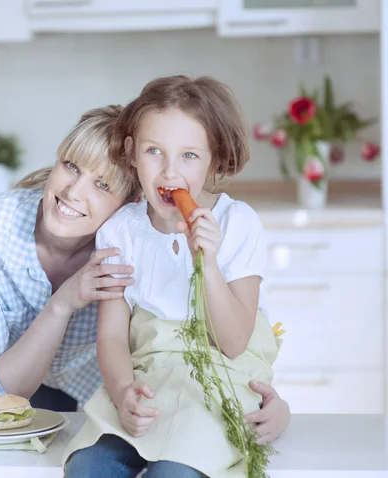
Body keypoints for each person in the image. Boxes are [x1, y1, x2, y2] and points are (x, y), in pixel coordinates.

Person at [0, 104, 290, 439]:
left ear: (134, 203)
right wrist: (62, 303)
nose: (73, 192)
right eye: (71, 166)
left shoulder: (135, 237)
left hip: (122, 394)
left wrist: (270, 401)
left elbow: (230, 332)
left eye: (103, 185)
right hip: (38, 388)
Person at [63, 76, 284, 478]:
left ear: (214, 159)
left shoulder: (237, 224)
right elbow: (112, 335)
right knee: (88, 466)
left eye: (189, 156)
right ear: (131, 153)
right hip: (146, 384)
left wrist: (208, 263)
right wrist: (123, 393)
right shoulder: (120, 230)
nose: (170, 171)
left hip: (217, 388)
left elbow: (234, 343)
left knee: (174, 473)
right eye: (154, 152)